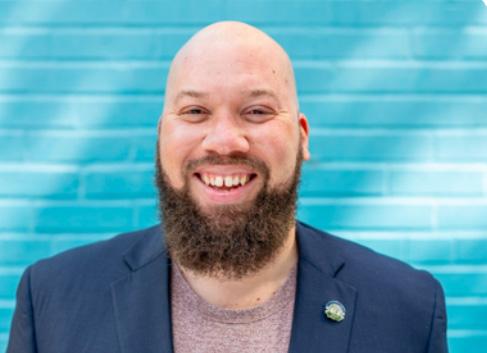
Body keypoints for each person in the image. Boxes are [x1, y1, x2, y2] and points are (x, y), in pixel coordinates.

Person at [7, 21, 448, 353]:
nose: (224, 141)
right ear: (161, 136)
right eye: (195, 111)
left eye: (256, 111)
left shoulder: (406, 308)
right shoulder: (52, 301)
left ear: (302, 137)